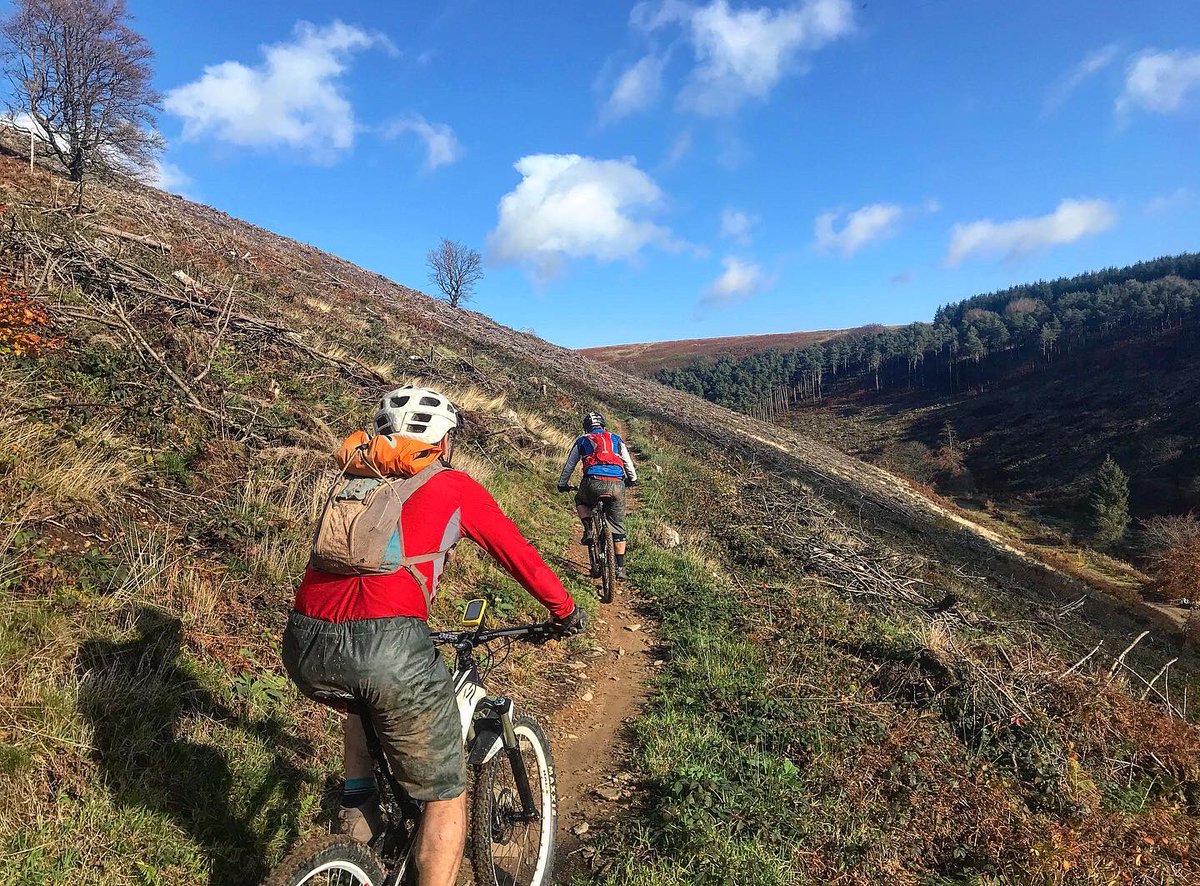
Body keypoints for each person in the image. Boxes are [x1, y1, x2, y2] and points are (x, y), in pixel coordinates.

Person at [282, 384, 587, 886]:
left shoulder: (351, 480)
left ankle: (355, 828)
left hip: (305, 641)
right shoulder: (454, 487)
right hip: (389, 647)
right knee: (446, 796)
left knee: (361, 705)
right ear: (443, 443)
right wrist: (564, 608)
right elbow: (519, 556)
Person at [556, 410, 637, 579]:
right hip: (616, 484)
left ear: (586, 428)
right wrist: (632, 479)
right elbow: (628, 463)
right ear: (603, 426)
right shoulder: (615, 438)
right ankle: (620, 567)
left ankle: (588, 530)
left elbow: (569, 465)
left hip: (593, 482)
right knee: (618, 525)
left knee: (580, 500)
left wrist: (562, 484)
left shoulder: (583, 440)